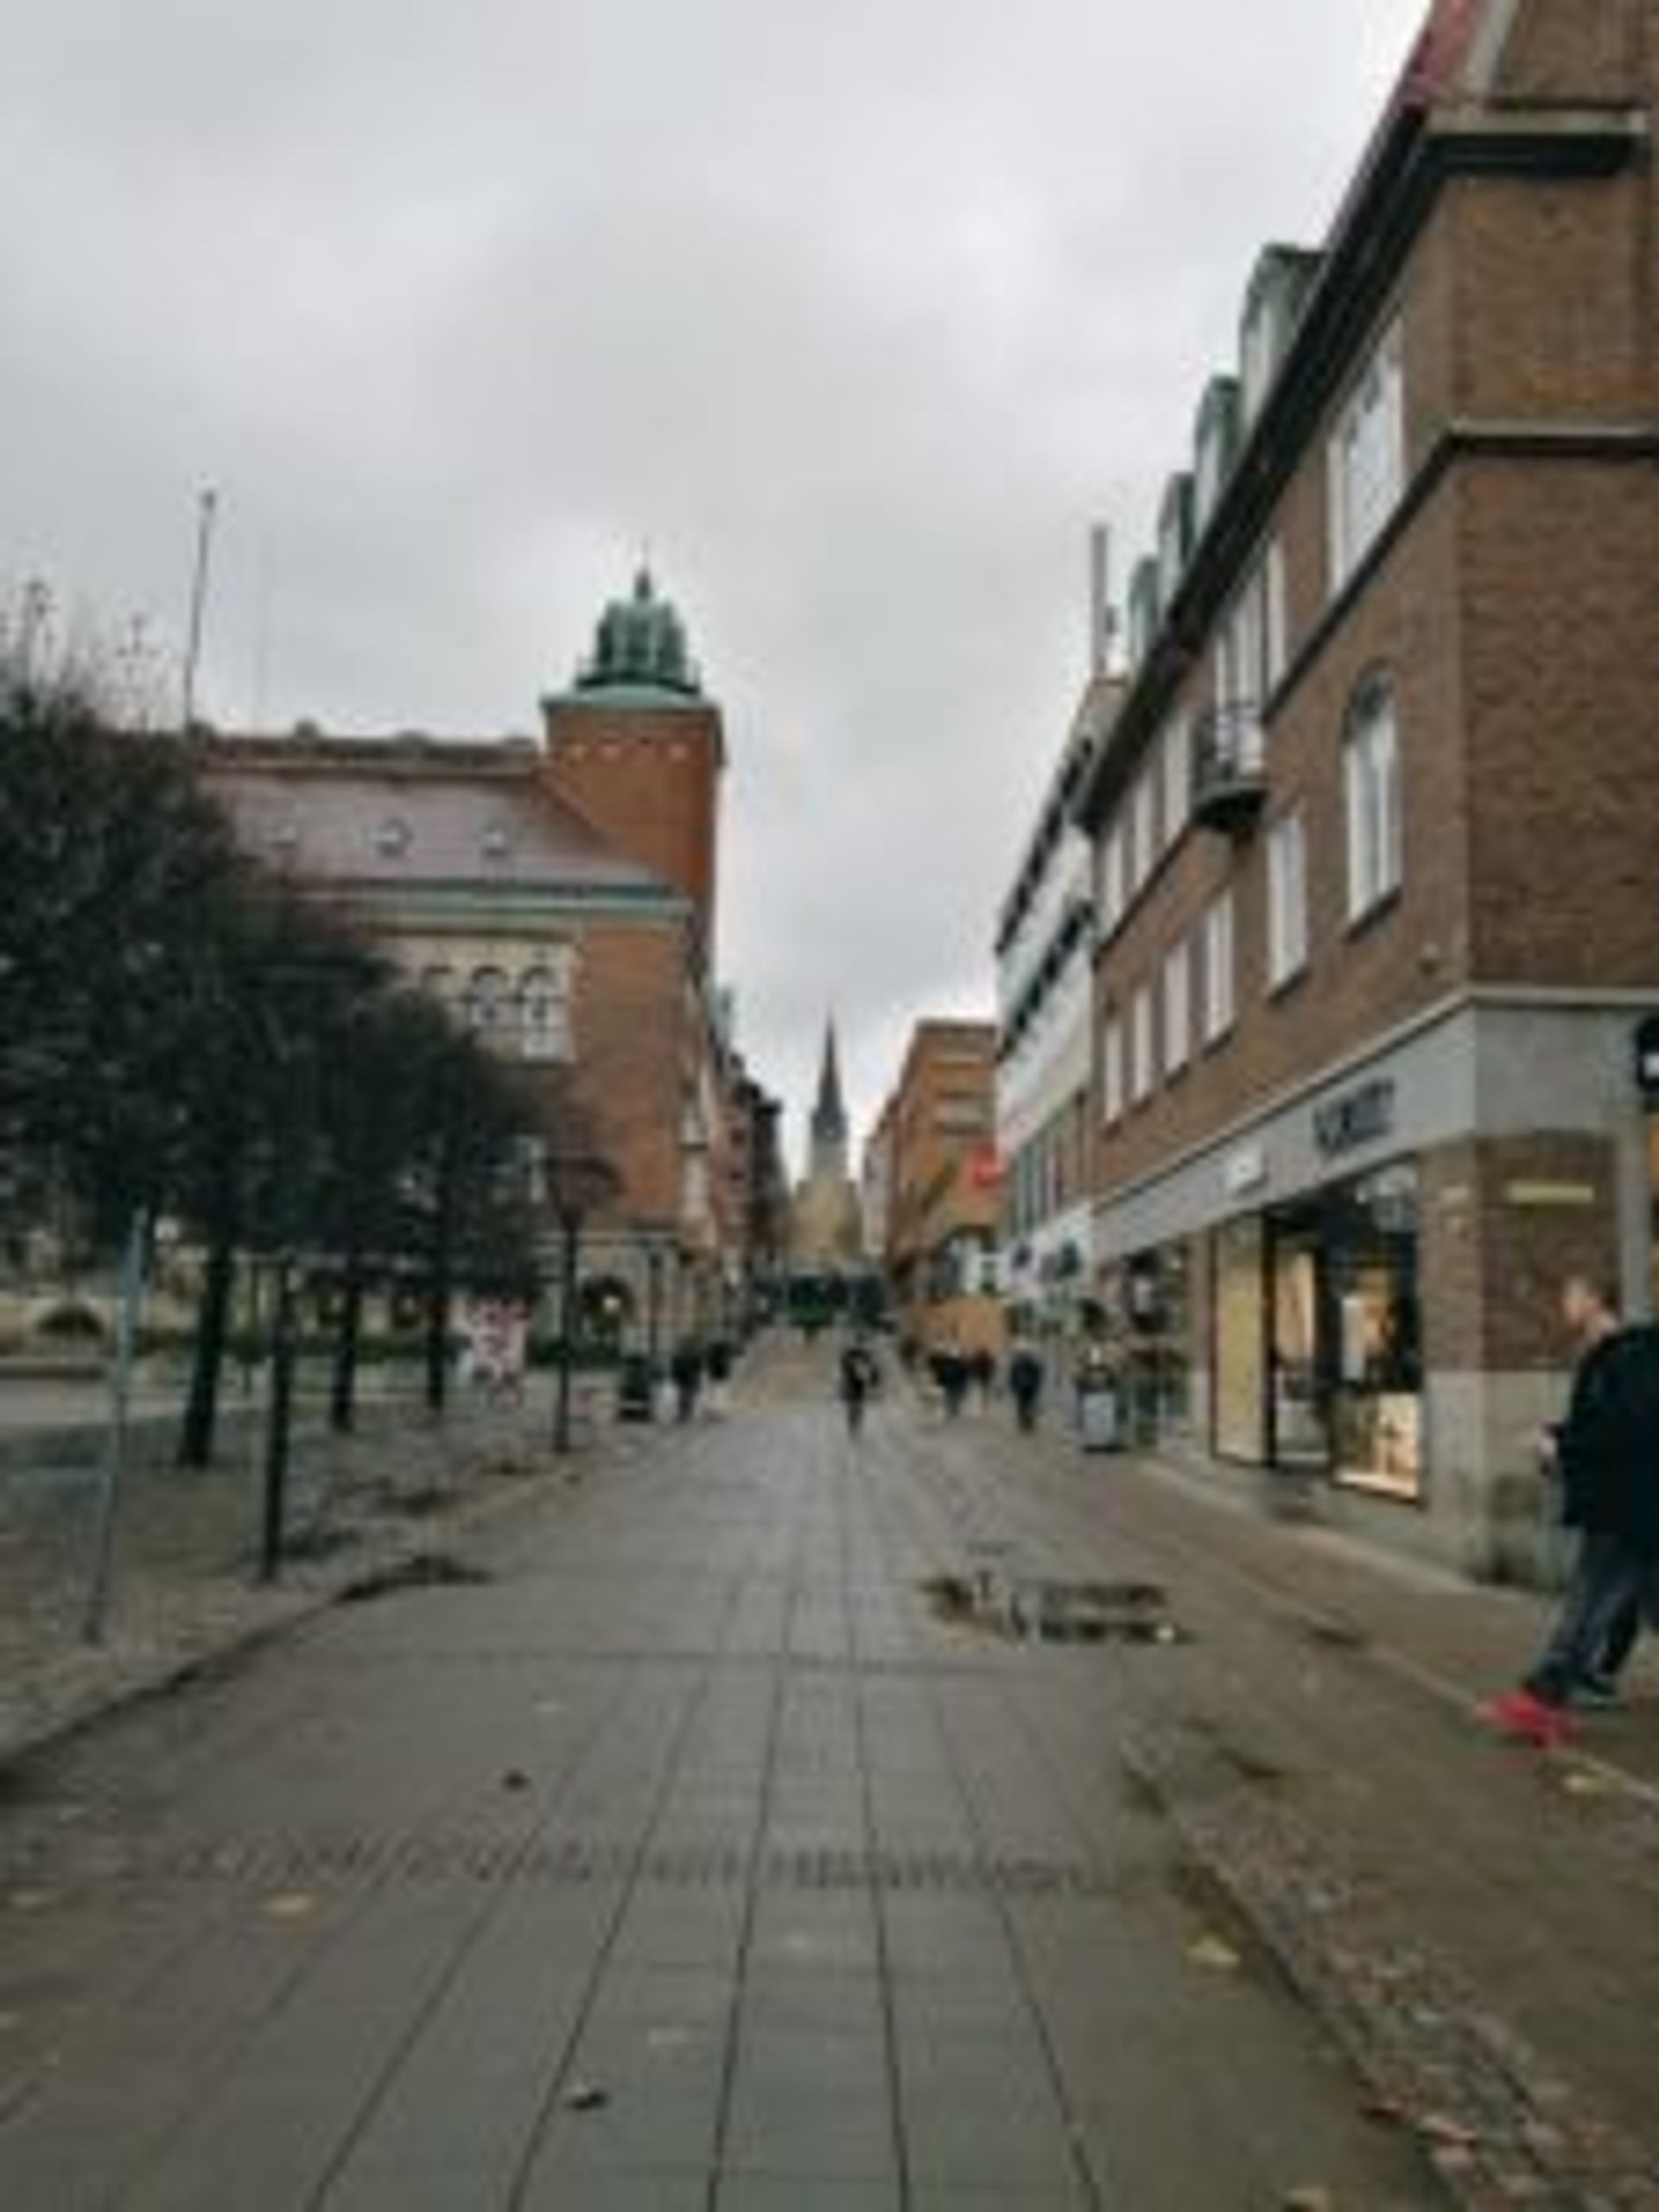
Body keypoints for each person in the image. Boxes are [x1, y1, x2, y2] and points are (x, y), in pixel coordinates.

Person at [1489, 1275, 1659, 1746]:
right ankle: (1551, 1695)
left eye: (1570, 1295)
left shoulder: (1632, 1355)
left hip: (1627, 1508)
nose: (1564, 1304)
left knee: (1588, 1604)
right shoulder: (1613, 1356)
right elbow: (1608, 1422)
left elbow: (1632, 1427)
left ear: (1593, 1300)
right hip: (1627, 1506)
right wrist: (1555, 1434)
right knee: (1606, 1602)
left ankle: (1543, 1700)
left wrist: (1559, 1442)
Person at [840, 1336, 879, 1438]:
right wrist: (873, 1380)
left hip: (857, 1383)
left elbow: (872, 1368)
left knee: (856, 1405)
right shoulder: (853, 1354)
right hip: (853, 1383)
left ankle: (854, 1424)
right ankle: (854, 1424)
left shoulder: (862, 1355)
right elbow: (872, 1369)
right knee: (855, 1405)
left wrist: (873, 1380)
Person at [1008, 1339, 1045, 1434]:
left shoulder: (1017, 1363)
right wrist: (1037, 1386)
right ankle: (1028, 1422)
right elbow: (1038, 1375)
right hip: (1031, 1387)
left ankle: (1023, 1421)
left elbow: (1013, 1376)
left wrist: (1013, 1386)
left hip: (1022, 1387)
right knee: (1029, 1404)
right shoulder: (1034, 1363)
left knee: (1022, 1405)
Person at [671, 1338, 704, 1424]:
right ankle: (686, 1413)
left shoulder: (680, 1354)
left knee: (683, 1395)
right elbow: (699, 1366)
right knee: (687, 1395)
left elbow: (675, 1365)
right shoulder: (694, 1354)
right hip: (688, 1378)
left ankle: (684, 1413)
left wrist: (675, 1375)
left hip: (684, 1378)